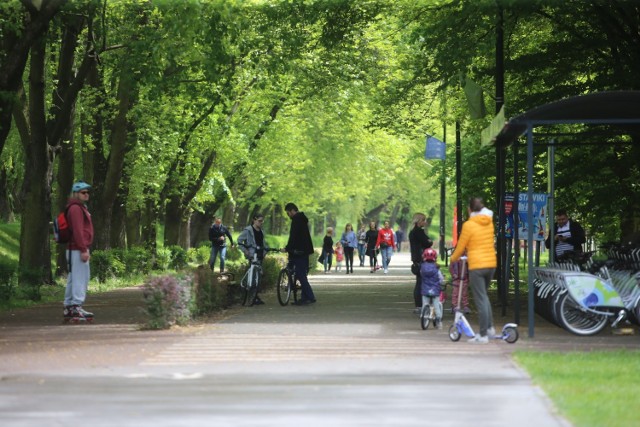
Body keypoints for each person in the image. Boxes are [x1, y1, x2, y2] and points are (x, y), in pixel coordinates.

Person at [450, 197, 497, 344]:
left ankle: (482, 335)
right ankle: (490, 329)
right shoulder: (489, 222)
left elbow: (461, 246)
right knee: (484, 297)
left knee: (480, 299)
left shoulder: (469, 225)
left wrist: (453, 259)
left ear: (470, 209)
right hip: (491, 264)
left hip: (477, 265)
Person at [63, 181, 95, 322]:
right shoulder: (76, 208)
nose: (86, 194)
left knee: (73, 278)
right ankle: (76, 307)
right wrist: (83, 249)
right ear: (76, 194)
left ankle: (69, 307)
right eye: (83, 192)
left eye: (87, 192)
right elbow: (77, 230)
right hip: (77, 248)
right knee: (80, 278)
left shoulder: (77, 207)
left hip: (74, 249)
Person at [283, 203, 316, 305]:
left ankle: (310, 296)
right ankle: (305, 297)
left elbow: (294, 236)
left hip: (299, 251)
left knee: (300, 274)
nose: (288, 215)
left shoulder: (296, 220)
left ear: (292, 210)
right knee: (301, 274)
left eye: (288, 213)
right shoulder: (302, 219)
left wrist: (287, 248)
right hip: (305, 250)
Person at [237, 214, 269, 305]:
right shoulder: (248, 230)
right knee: (253, 276)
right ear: (254, 220)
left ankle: (255, 296)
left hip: (260, 255)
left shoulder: (262, 231)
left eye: (262, 221)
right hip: (252, 255)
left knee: (258, 278)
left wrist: (266, 250)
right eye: (259, 221)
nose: (261, 223)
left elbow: (264, 243)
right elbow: (239, 241)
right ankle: (251, 296)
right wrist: (245, 251)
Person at [409, 213, 434, 312]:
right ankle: (421, 305)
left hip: (416, 259)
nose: (425, 222)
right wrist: (429, 241)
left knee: (419, 282)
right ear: (418, 221)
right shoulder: (419, 232)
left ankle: (419, 305)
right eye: (423, 220)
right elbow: (428, 242)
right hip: (422, 259)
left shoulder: (412, 232)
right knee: (422, 283)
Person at [420, 248, 445, 329]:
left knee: (425, 304)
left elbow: (421, 275)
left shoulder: (422, 267)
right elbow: (440, 279)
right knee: (436, 305)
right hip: (435, 290)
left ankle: (423, 315)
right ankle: (438, 321)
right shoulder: (436, 268)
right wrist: (442, 282)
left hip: (425, 289)